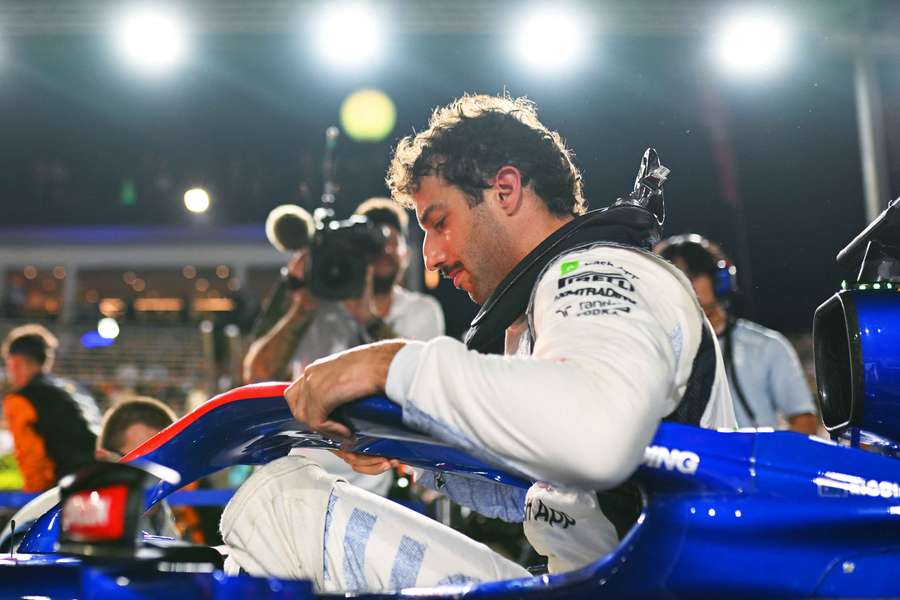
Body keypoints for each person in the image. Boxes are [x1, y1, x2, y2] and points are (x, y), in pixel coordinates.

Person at [221, 94, 736, 592]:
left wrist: (392, 364)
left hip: (637, 587)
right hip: (604, 580)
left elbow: (597, 438)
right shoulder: (556, 297)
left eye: (439, 223)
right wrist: (394, 441)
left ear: (505, 190)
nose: (431, 257)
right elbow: (544, 494)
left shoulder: (594, 269)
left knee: (282, 505)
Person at [243, 198, 445, 495]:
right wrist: (303, 305)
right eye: (374, 248)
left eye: (392, 244)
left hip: (370, 484)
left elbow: (416, 384)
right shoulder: (317, 306)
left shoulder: (421, 310)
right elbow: (258, 374)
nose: (383, 254)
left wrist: (366, 316)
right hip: (297, 472)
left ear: (405, 253)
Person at [655, 234, 818, 433]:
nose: (684, 284)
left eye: (692, 275)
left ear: (719, 280)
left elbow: (804, 423)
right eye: (674, 278)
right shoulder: (653, 351)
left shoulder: (767, 347)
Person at [6, 396, 179, 545]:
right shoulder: (53, 516)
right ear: (104, 459)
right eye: (142, 463)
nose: (157, 480)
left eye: (167, 466)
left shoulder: (158, 514)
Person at [2, 324, 100, 492]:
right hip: (100, 479)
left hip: (64, 489)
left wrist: (33, 503)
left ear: (17, 363)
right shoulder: (74, 390)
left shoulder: (20, 401)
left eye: (9, 365)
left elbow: (31, 459)